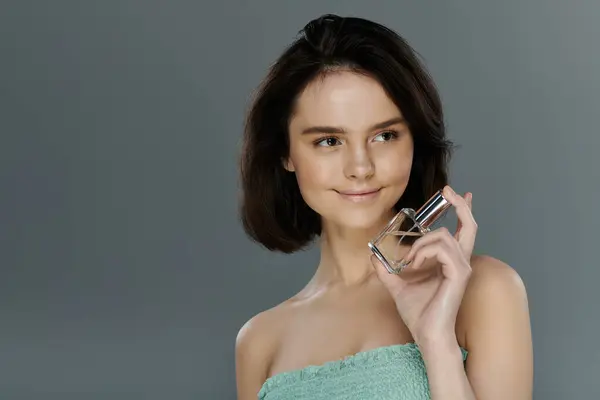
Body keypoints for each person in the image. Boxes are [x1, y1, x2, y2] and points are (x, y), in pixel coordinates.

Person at [235, 13, 533, 400]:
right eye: (329, 141)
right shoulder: (259, 342)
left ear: (415, 141)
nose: (361, 168)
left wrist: (436, 342)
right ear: (285, 153)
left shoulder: (486, 291)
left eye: (385, 135)